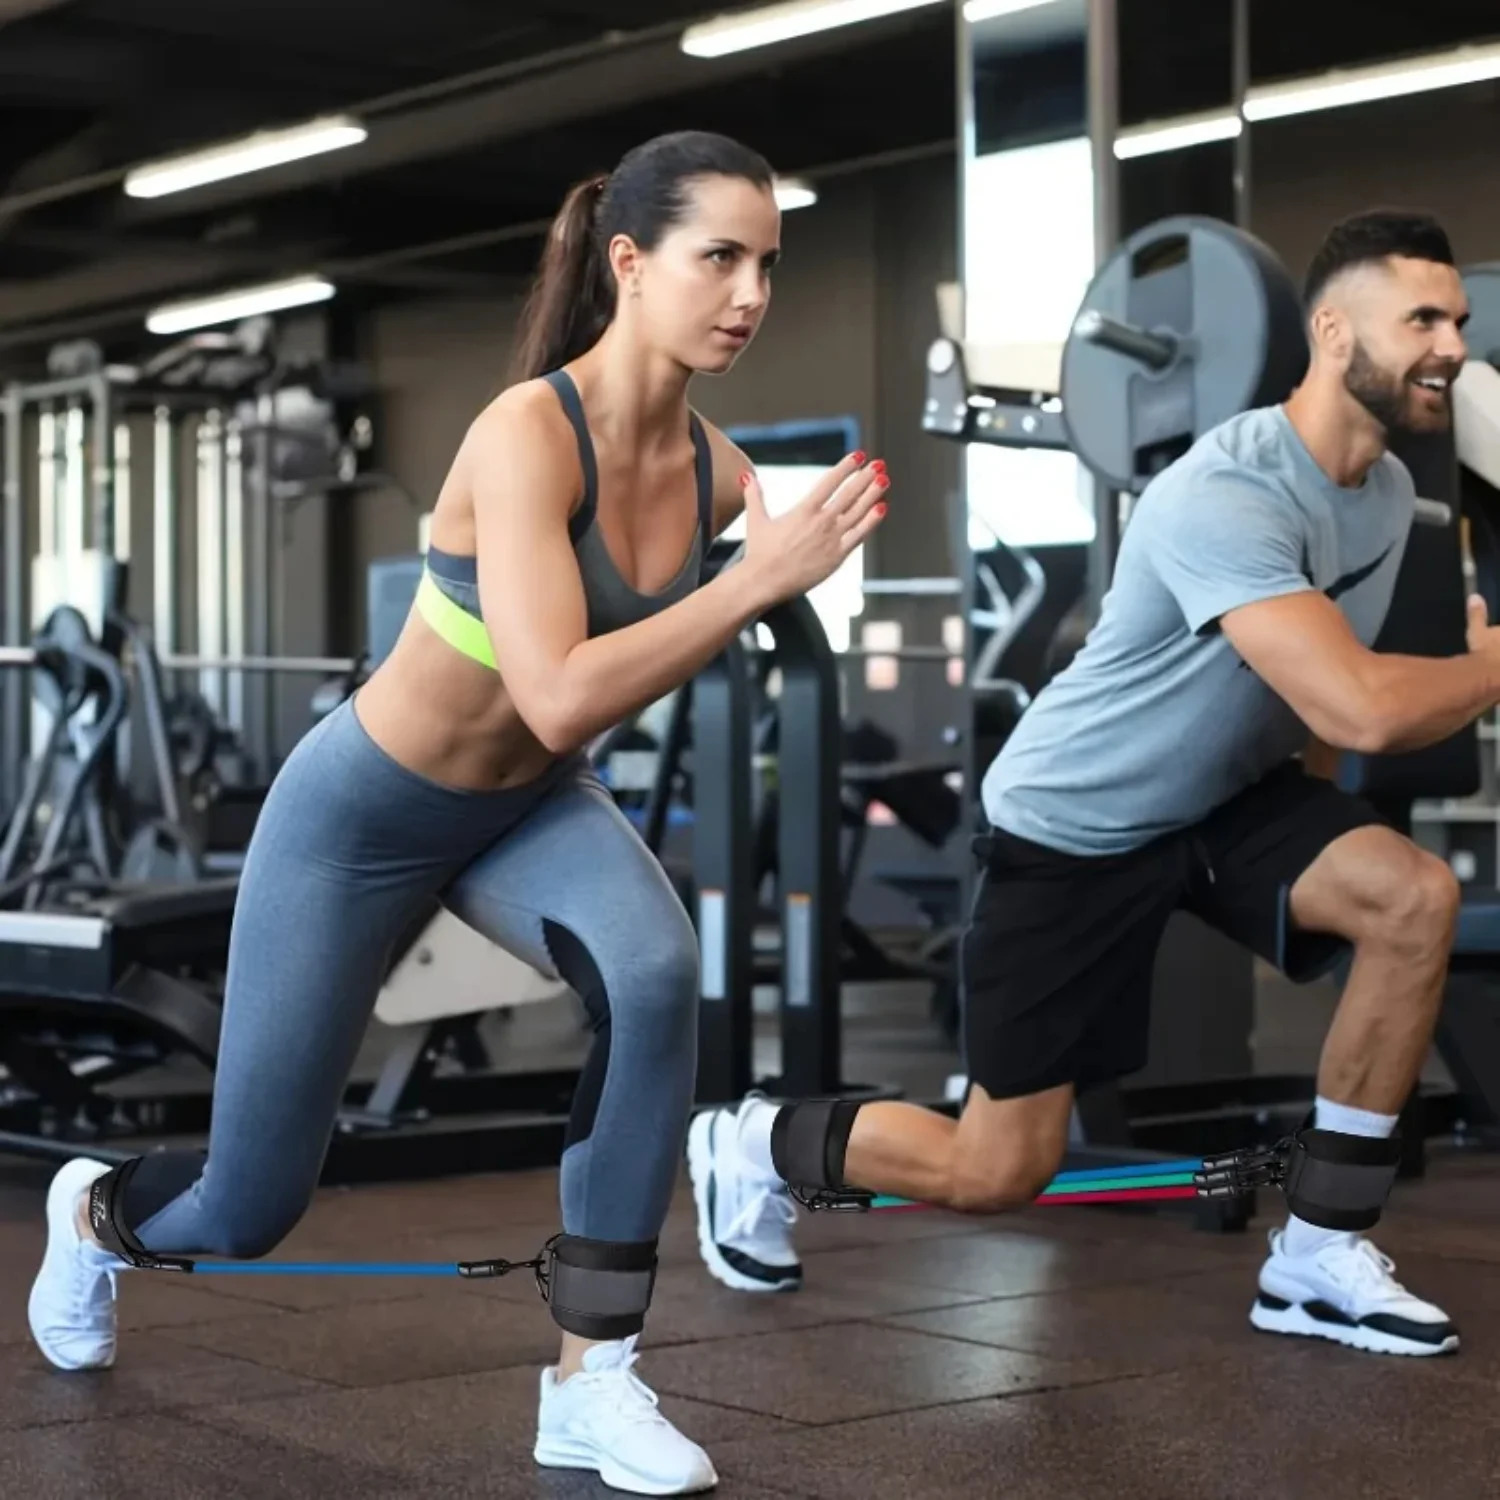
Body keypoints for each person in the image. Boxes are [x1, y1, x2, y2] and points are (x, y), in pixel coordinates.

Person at [27, 129, 888, 1496]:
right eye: (718, 256)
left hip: (533, 808)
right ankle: (98, 1219)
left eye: (768, 264)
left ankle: (588, 1378)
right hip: (362, 814)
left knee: (658, 969)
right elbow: (555, 693)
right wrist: (755, 581)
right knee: (249, 1207)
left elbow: (571, 731)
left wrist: (761, 576)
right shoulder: (522, 436)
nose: (749, 292)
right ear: (628, 261)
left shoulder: (724, 476)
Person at [691, 208, 1482, 1360]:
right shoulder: (1229, 489)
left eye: (1457, 319)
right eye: (1421, 317)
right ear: (1331, 329)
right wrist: (1489, 668)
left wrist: (1319, 839)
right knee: (998, 1168)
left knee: (1411, 897)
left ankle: (1318, 1253)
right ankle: (754, 1143)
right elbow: (1358, 704)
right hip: (1081, 823)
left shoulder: (1384, 504)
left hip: (1225, 799)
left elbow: (1316, 721)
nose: (1452, 345)